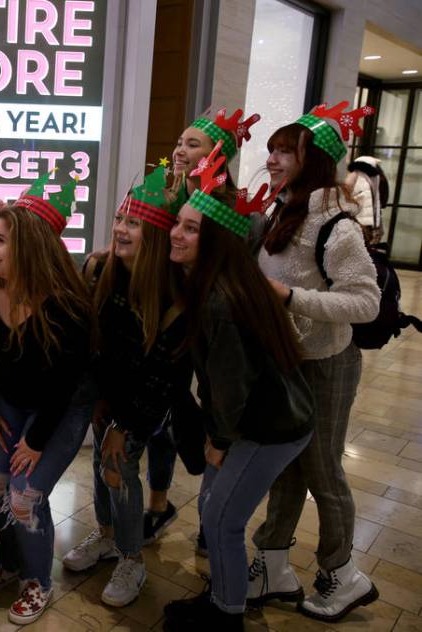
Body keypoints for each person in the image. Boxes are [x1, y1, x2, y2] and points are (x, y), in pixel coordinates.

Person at [162, 143, 314, 631]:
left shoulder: (219, 299)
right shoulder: (223, 282)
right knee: (213, 508)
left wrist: (220, 441)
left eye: (191, 228)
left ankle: (225, 615)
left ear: (216, 241)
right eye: (178, 222)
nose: (175, 233)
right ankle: (223, 597)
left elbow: (230, 385)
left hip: (271, 426)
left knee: (223, 517)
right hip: (271, 418)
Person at [248, 103, 381, 622]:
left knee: (323, 471)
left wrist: (290, 297)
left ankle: (342, 574)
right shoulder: (285, 210)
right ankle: (273, 563)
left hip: (326, 362)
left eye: (286, 151)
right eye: (274, 149)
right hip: (287, 361)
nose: (273, 158)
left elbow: (364, 302)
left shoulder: (338, 226)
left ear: (316, 161)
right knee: (284, 467)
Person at [63, 162, 191, 609]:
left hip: (145, 399)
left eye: (133, 223)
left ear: (154, 234)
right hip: (109, 392)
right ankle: (106, 536)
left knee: (118, 468)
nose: (120, 229)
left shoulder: (173, 296)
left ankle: (132, 557)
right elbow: (94, 341)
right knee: (102, 464)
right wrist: (99, 399)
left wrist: (125, 422)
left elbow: (163, 374)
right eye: (120, 219)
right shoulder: (100, 269)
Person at [0, 177, 94, 625]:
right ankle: (9, 560)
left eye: (1, 241)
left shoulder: (66, 305)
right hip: (13, 399)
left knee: (25, 493)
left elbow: (64, 386)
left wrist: (35, 441)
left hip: (62, 407)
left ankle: (38, 580)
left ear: (31, 248)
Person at [140, 108, 260, 546]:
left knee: (215, 414)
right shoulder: (166, 199)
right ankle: (157, 503)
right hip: (169, 322)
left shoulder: (235, 210)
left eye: (193, 144)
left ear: (218, 157)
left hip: (213, 327)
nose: (179, 150)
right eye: (179, 142)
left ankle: (213, 521)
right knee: (162, 407)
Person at [345, 155, 387, 245]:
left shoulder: (358, 175)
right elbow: (380, 202)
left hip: (359, 221)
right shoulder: (376, 177)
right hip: (366, 223)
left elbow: (346, 191)